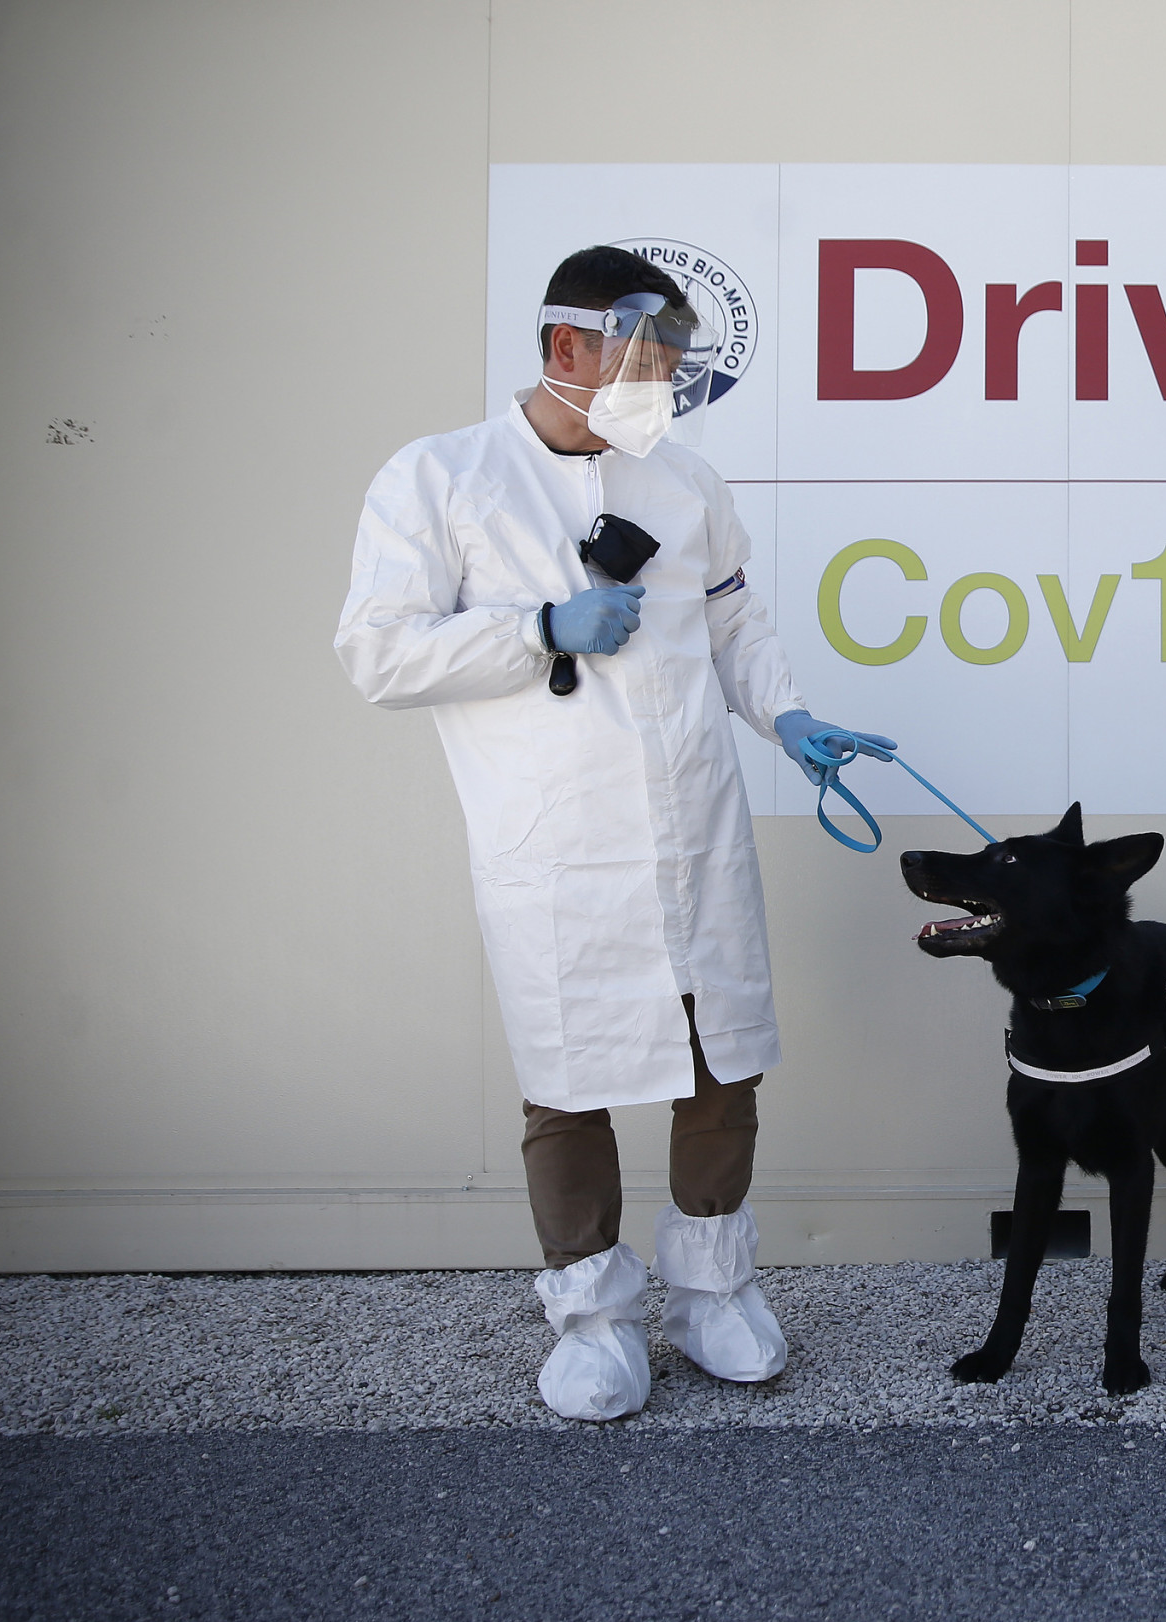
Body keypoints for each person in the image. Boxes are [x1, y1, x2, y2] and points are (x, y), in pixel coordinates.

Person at [336, 246, 891, 1421]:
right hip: (555, 847)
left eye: (674, 366)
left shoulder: (683, 483)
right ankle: (591, 1318)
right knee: (567, 1080)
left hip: (695, 831)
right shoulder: (442, 479)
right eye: (644, 361)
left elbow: (734, 624)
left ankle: (713, 1294)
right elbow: (378, 652)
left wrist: (789, 718)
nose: (662, 386)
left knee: (722, 1063)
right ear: (566, 347)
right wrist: (537, 626)